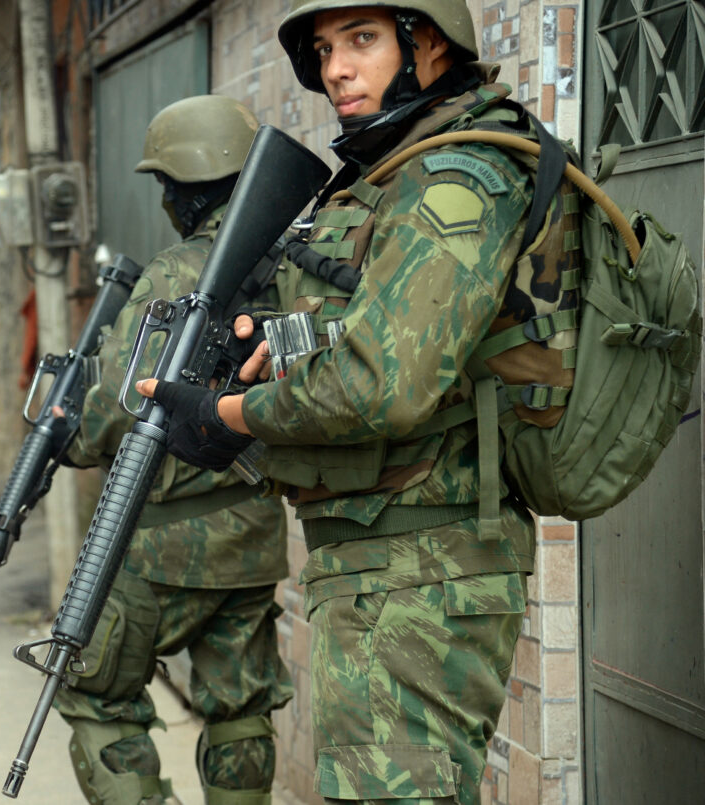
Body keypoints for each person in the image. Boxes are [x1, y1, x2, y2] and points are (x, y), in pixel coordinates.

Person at [138, 3, 574, 803]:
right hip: (380, 563)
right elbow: (367, 334)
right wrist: (264, 349)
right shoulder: (393, 173)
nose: (337, 68)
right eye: (325, 49)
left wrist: (227, 416)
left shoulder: (457, 178)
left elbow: (385, 382)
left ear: (431, 43)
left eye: (363, 41)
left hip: (421, 569)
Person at [52, 95, 292, 805]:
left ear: (184, 190)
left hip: (156, 548)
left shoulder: (171, 275)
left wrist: (71, 431)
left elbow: (115, 412)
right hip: (252, 536)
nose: (163, 201)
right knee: (240, 710)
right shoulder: (293, 268)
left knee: (95, 697)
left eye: (166, 187)